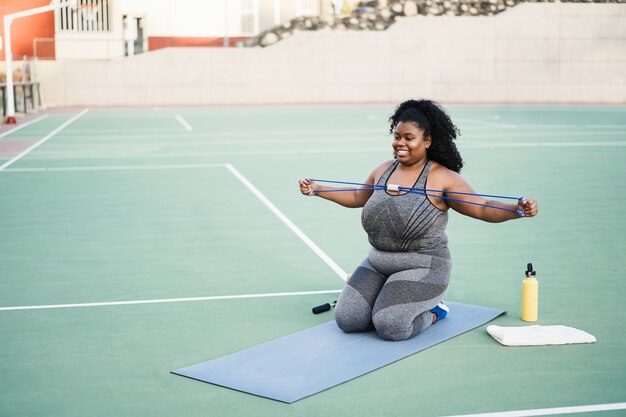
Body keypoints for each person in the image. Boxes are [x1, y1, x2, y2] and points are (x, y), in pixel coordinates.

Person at [298, 99, 538, 341]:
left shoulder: (442, 178)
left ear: (427, 141)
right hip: (378, 262)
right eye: (397, 136)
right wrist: (317, 189)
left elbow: (482, 208)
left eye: (408, 137)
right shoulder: (383, 170)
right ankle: (388, 294)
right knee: (349, 320)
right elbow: (357, 196)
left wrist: (515, 210)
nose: (400, 143)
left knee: (390, 325)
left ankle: (435, 310)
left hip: (423, 266)